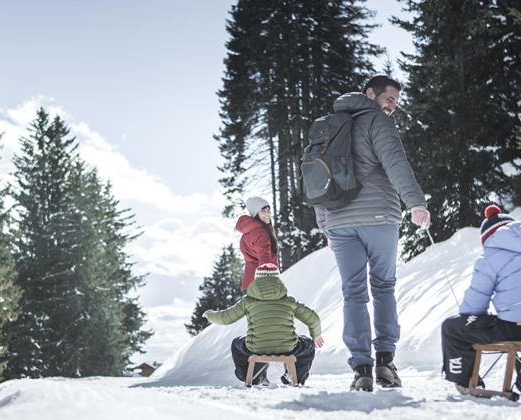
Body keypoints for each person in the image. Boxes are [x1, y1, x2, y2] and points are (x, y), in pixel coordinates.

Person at [314, 75, 430, 392]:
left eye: (395, 101)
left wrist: (325, 223)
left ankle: (361, 368)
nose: (392, 106)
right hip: (379, 217)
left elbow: (316, 177)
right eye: (389, 98)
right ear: (370, 94)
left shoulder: (327, 124)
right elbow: (396, 162)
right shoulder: (376, 121)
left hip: (339, 222)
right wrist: (416, 203)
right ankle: (385, 364)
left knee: (353, 293)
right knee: (383, 287)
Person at [441, 205, 521, 392]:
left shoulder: (490, 256)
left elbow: (475, 303)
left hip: (512, 328)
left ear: (487, 238)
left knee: (452, 328)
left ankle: (466, 380)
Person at [203, 263, 323, 386]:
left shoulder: (247, 301)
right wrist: (316, 335)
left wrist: (210, 315)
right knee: (307, 344)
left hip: (256, 347)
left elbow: (225, 318)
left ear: (257, 279)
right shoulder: (289, 301)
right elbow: (313, 319)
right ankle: (294, 376)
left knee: (237, 344)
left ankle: (254, 376)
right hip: (287, 347)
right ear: (277, 279)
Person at [236, 196, 279, 291]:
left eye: (268, 210)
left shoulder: (248, 233)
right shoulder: (261, 234)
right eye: (263, 211)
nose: (267, 213)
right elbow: (265, 261)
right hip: (262, 287)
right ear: (256, 214)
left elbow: (252, 261)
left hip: (250, 285)